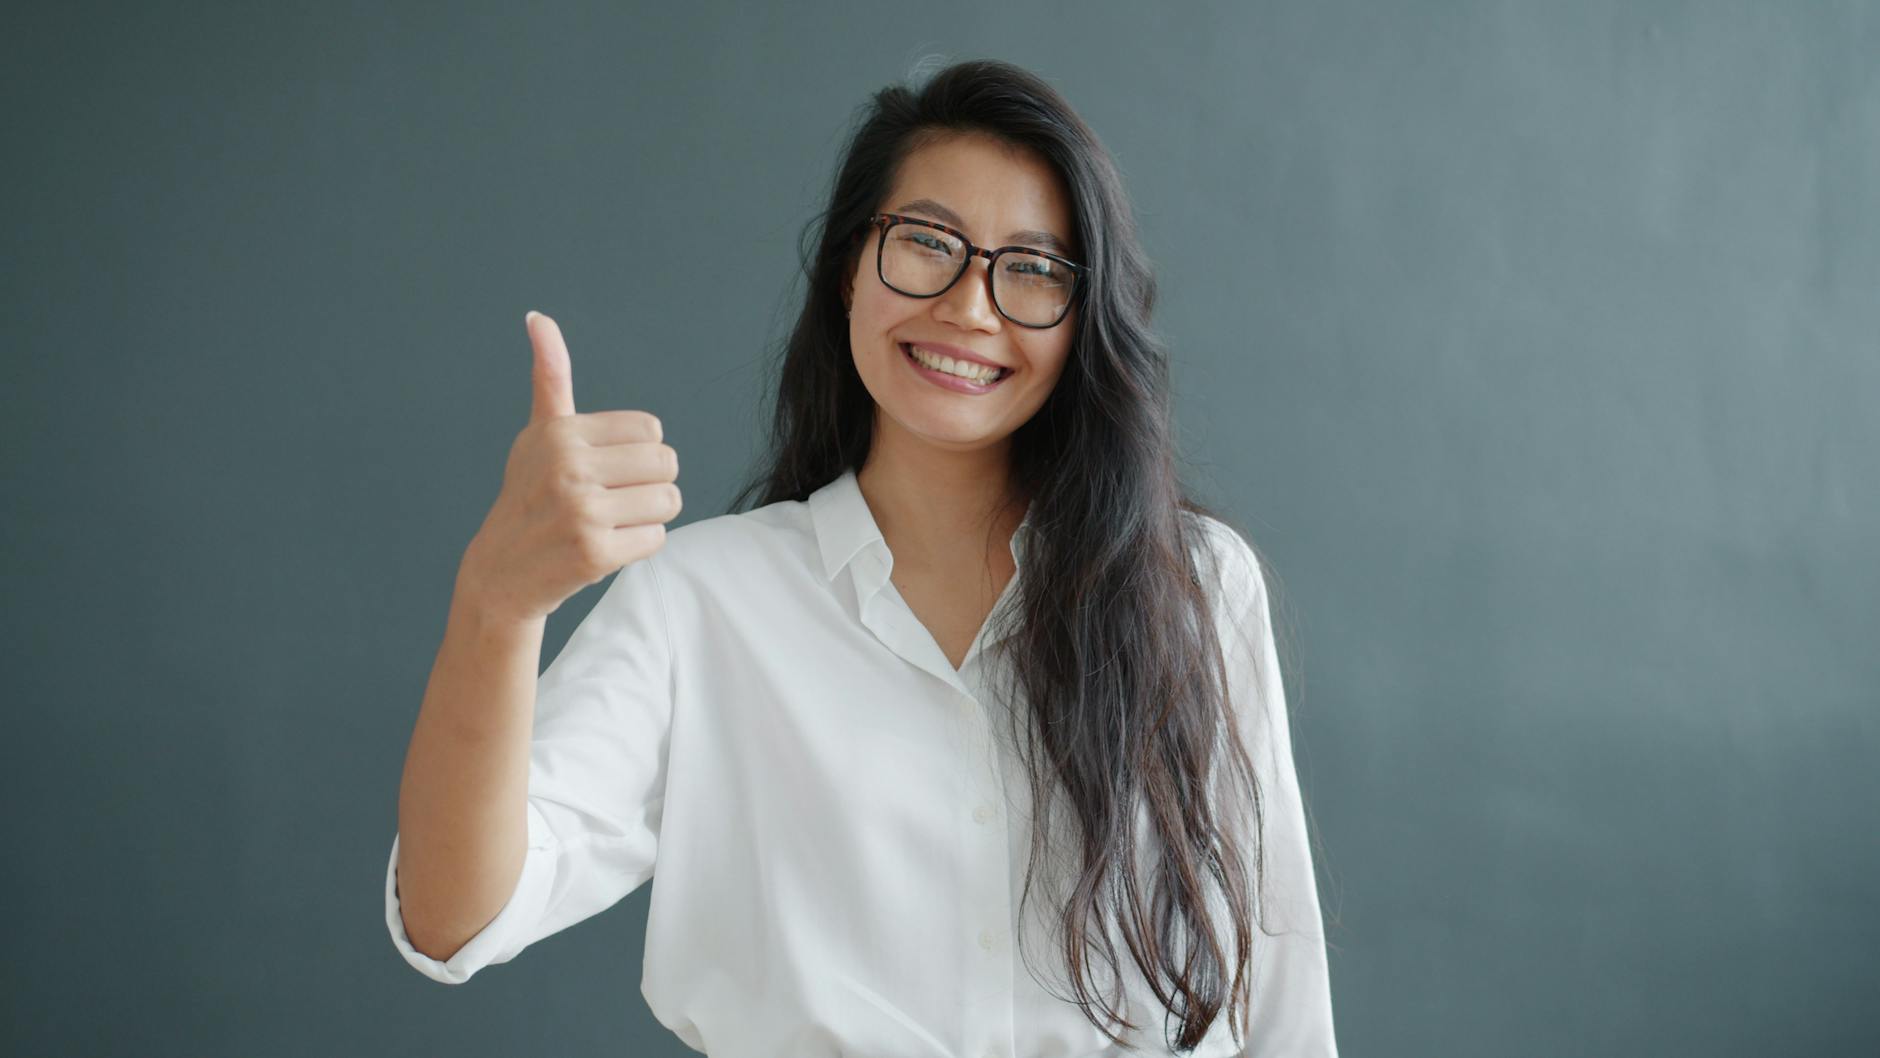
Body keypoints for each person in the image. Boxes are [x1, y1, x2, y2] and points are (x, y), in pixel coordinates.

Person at [387, 57, 1338, 1057]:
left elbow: (1278, 987)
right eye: (926, 243)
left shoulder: (1193, 583)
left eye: (1031, 268)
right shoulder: (699, 601)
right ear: (849, 265)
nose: (971, 307)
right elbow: (455, 915)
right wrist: (496, 602)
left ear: (1081, 318)